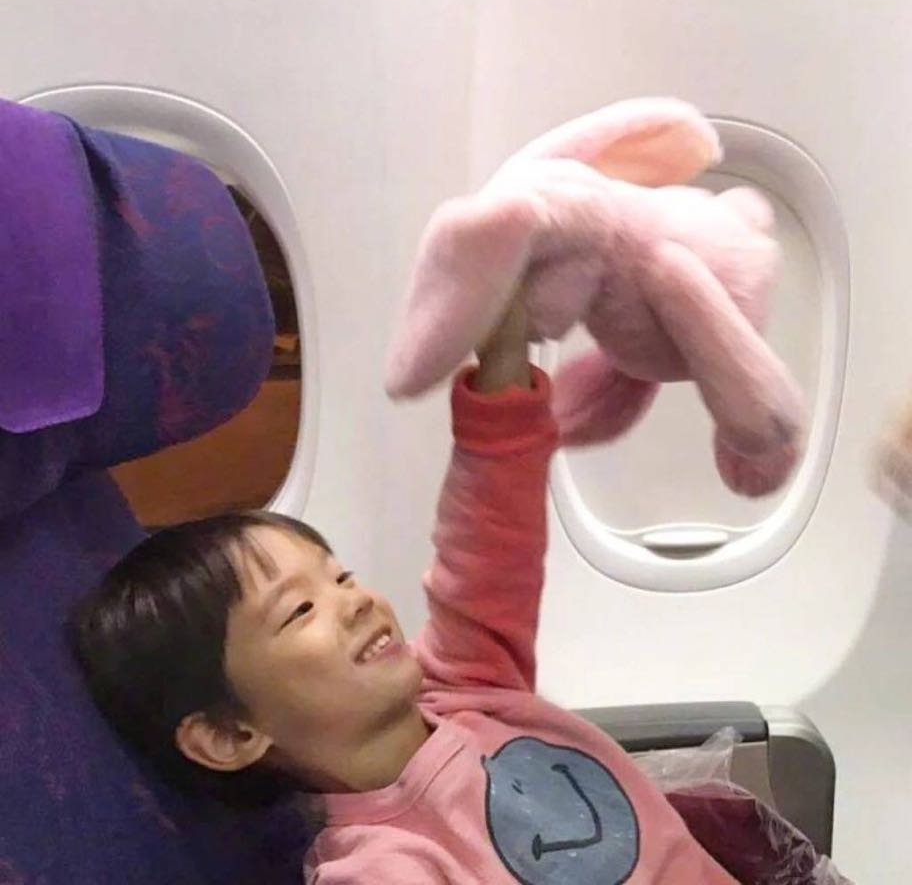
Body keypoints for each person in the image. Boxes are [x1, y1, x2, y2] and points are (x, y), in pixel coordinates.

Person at [72, 297, 739, 883]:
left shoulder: (472, 685)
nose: (355, 600)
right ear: (229, 734)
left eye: (340, 576)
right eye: (300, 610)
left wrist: (504, 348)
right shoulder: (381, 866)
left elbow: (491, 533)